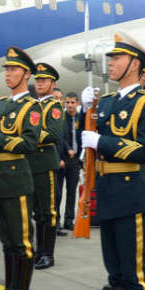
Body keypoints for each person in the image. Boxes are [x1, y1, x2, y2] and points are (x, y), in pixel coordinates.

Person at [82, 32, 145, 290]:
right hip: (109, 193)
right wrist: (86, 113)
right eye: (111, 58)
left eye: (117, 58)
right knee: (114, 273)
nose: (110, 63)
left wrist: (102, 142)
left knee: (134, 274)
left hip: (131, 194)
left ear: (135, 64)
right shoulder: (110, 102)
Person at [0, 47, 42, 290]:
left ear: (26, 74)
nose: (8, 74)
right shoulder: (3, 104)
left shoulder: (32, 106)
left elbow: (28, 143)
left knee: (22, 241)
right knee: (6, 239)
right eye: (6, 69)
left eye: (14, 69)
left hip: (17, 178)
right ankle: (9, 289)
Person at [29, 62, 64, 269]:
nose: (40, 83)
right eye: (38, 80)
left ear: (53, 83)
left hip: (45, 163)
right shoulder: (33, 105)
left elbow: (54, 135)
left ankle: (47, 253)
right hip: (31, 164)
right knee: (36, 212)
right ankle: (38, 250)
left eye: (44, 80)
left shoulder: (54, 107)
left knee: (47, 211)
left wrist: (29, 134)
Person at [59, 92, 82, 234]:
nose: (70, 105)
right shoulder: (61, 118)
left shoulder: (80, 118)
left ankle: (69, 220)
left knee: (72, 191)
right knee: (58, 192)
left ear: (77, 103)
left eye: (72, 102)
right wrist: (68, 149)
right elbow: (60, 137)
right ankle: (56, 221)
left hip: (75, 160)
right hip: (63, 158)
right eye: (67, 102)